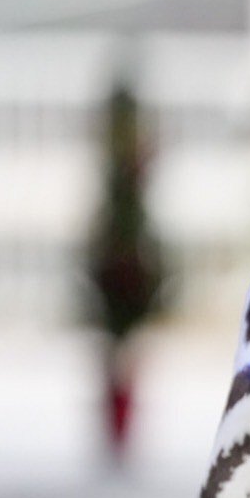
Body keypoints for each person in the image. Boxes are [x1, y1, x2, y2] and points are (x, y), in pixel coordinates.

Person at [87, 82, 163, 456]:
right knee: (119, 354)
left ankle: (120, 433)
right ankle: (116, 433)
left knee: (124, 354)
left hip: (126, 267)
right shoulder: (117, 174)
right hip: (120, 268)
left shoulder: (125, 178)